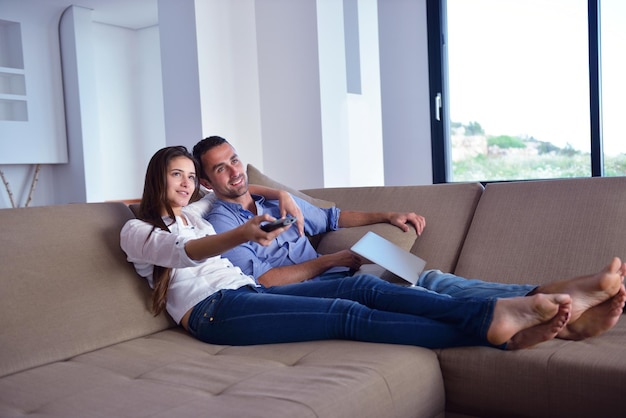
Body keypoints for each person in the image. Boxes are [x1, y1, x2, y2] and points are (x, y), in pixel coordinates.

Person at [120, 145, 576, 351]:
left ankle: (537, 292)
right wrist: (332, 259)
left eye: (236, 161)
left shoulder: (246, 202)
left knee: (428, 274)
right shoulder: (211, 221)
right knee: (366, 302)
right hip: (313, 277)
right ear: (209, 184)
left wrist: (386, 215)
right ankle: (511, 320)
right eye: (219, 171)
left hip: (341, 270)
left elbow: (333, 217)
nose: (234, 172)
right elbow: (204, 257)